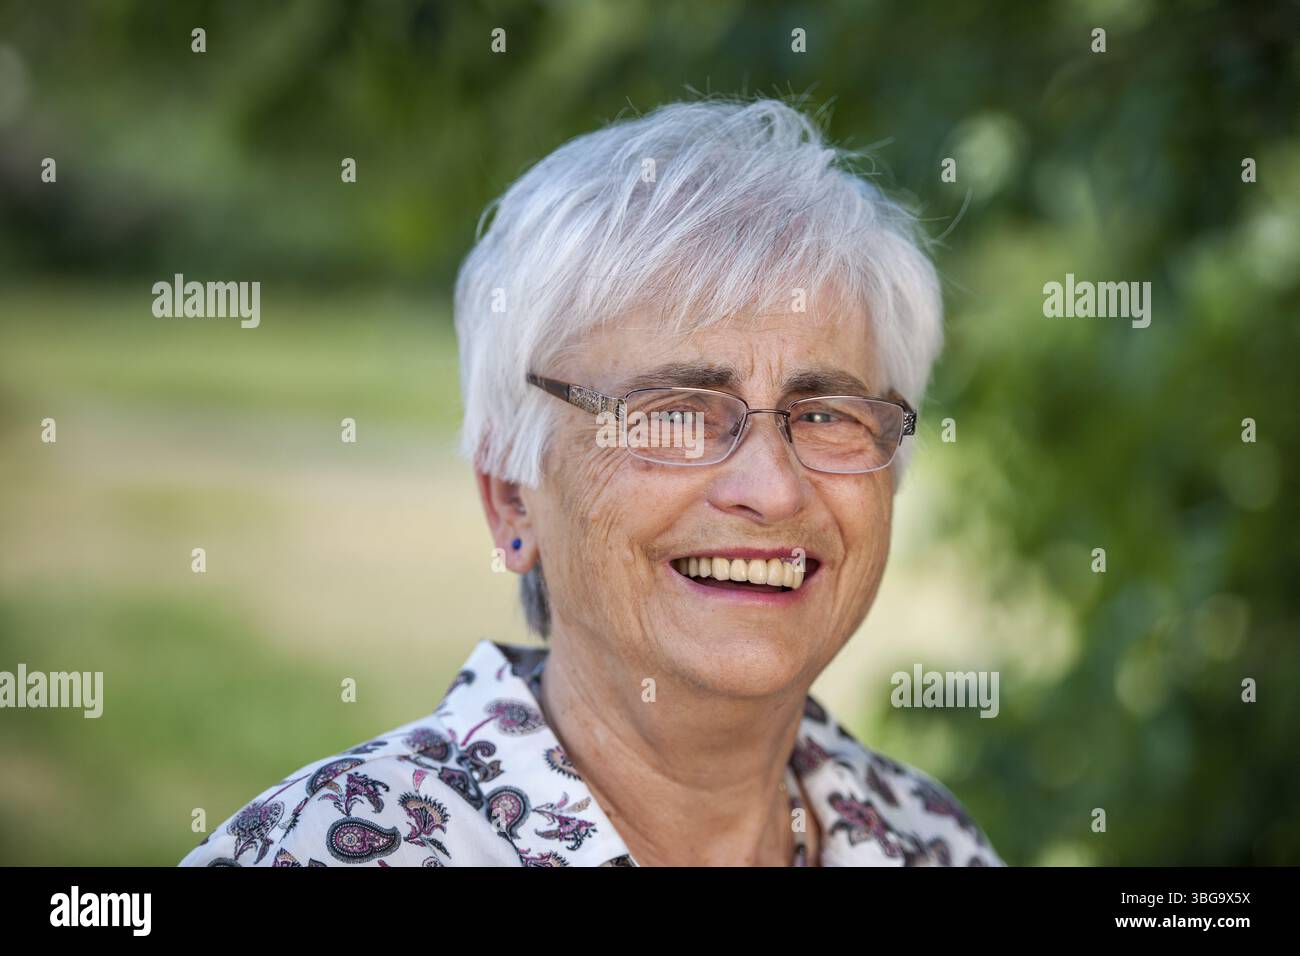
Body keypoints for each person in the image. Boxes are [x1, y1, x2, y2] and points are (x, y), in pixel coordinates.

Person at [179, 96, 1003, 867]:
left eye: (826, 414)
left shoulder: (931, 841)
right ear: (510, 496)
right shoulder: (328, 848)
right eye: (675, 413)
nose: (773, 490)